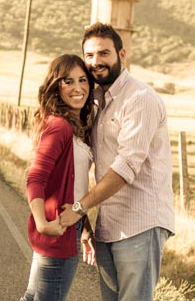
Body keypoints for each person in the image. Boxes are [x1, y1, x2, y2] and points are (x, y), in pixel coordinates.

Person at [58, 22, 175, 301]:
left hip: (141, 224)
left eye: (103, 53)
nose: (95, 61)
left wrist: (78, 207)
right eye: (89, 55)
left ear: (122, 55)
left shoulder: (140, 99)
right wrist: (86, 221)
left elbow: (125, 166)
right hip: (109, 225)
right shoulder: (96, 100)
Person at [20, 53, 97, 301]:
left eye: (83, 80)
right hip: (58, 228)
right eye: (68, 81)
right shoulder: (60, 126)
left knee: (33, 298)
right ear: (56, 87)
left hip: (68, 225)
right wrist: (42, 223)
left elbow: (73, 185)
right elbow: (36, 177)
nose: (78, 88)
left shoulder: (72, 126)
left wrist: (84, 228)